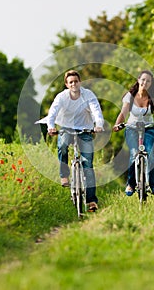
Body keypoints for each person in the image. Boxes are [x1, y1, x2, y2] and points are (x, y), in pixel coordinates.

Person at [47, 70, 104, 212]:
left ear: (80, 82)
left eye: (76, 81)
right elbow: (52, 113)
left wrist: (98, 125)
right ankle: (64, 175)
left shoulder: (88, 95)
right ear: (66, 85)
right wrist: (51, 126)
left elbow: (96, 110)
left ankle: (91, 201)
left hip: (85, 129)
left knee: (88, 165)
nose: (74, 84)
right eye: (70, 82)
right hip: (66, 128)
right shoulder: (61, 97)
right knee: (62, 145)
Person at [113, 70, 154, 196]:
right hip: (132, 128)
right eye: (143, 79)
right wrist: (117, 124)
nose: (145, 82)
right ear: (138, 80)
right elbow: (124, 112)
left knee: (150, 152)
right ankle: (130, 184)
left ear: (151, 83)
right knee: (134, 153)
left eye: (148, 81)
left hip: (148, 127)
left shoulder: (153, 95)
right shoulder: (130, 96)